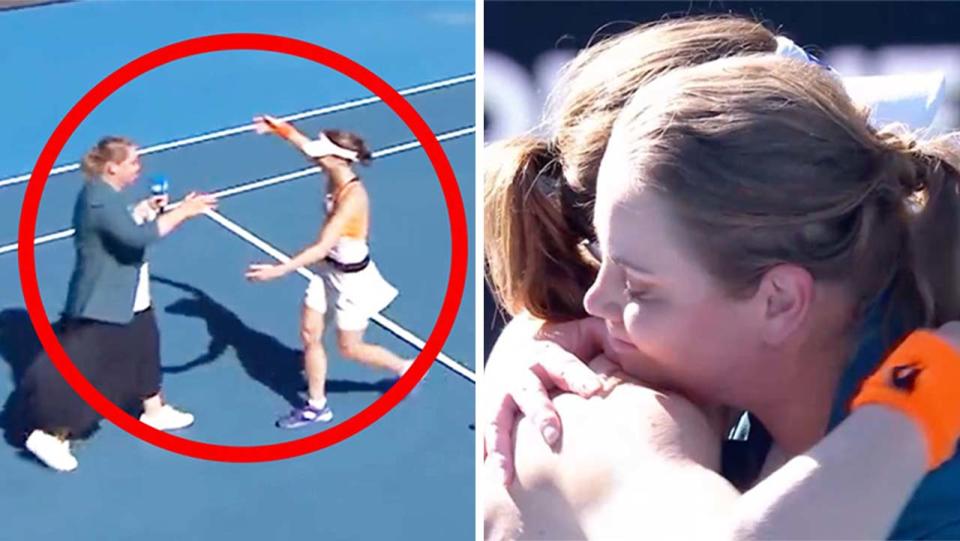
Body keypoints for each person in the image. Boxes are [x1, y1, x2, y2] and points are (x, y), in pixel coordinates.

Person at [482, 16, 960, 540]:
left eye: (637, 283)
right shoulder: (605, 407)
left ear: (780, 299)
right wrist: (921, 391)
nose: (598, 301)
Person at [17, 136, 217, 472]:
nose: (139, 168)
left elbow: (125, 224)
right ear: (113, 167)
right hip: (103, 301)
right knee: (81, 371)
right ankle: (51, 436)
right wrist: (184, 211)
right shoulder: (99, 201)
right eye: (133, 163)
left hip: (129, 294)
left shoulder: (109, 195)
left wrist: (144, 210)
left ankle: (154, 411)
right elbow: (137, 238)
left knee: (145, 345)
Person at [246, 115, 412, 429]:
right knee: (310, 334)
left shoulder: (353, 198)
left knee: (349, 348)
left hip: (352, 282)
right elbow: (304, 145)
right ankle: (317, 405)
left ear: (338, 158)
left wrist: (279, 270)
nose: (315, 153)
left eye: (322, 151)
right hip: (326, 273)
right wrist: (279, 128)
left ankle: (404, 367)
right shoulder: (331, 168)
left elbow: (322, 246)